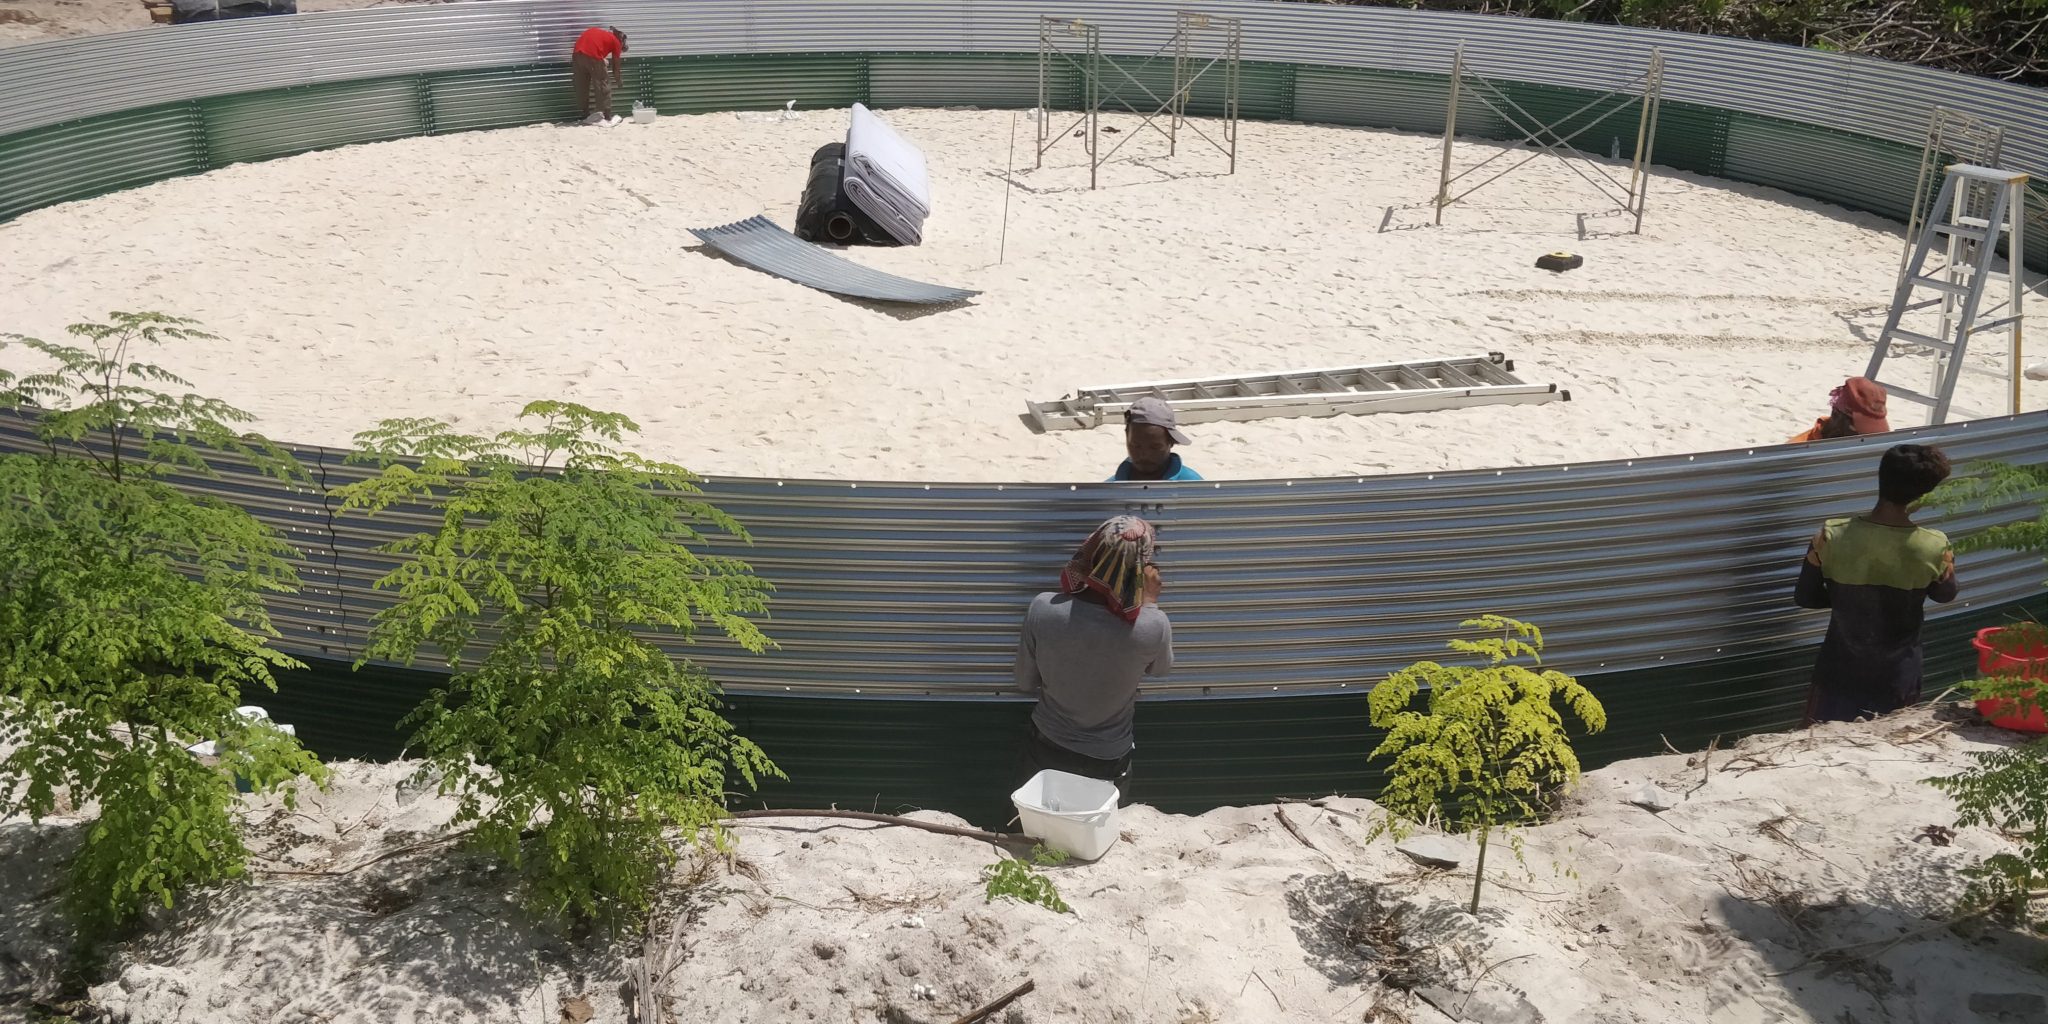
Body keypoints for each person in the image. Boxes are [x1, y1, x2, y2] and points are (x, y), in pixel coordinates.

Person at [1794, 444, 1959, 724]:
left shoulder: (1831, 535)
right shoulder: (1934, 545)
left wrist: (1846, 597)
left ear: (1881, 478)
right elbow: (1945, 595)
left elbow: (1805, 597)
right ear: (1924, 495)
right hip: (1898, 678)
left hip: (1837, 673)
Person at [1014, 516, 1173, 804]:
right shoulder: (1153, 624)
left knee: (1039, 834)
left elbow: (1025, 682)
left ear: (1092, 551)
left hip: (1047, 749)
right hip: (1109, 758)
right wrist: (1150, 603)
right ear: (1142, 567)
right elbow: (1160, 669)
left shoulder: (1043, 608)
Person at [1109, 397, 1201, 481]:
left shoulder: (1193, 486)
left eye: (1155, 447)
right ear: (1126, 436)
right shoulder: (1108, 491)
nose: (1144, 454)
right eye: (1136, 446)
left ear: (1171, 441)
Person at [1789, 376, 1889, 443]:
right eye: (1862, 430)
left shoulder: (1877, 446)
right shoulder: (1798, 448)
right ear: (1838, 415)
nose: (1866, 437)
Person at [571, 26, 628, 127]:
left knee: (581, 85)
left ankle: (585, 114)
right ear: (621, 40)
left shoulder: (602, 34)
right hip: (592, 55)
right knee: (603, 84)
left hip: (576, 53)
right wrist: (619, 81)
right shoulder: (616, 41)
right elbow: (616, 68)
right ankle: (607, 116)